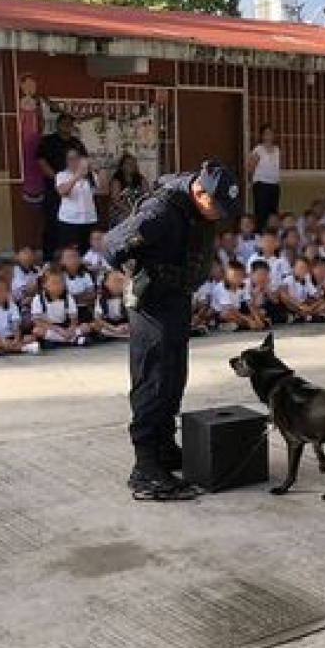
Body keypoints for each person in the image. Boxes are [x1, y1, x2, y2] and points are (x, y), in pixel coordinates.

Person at [103, 161, 241, 501]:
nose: (220, 215)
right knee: (154, 378)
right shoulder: (161, 212)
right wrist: (140, 271)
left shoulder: (196, 207)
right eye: (217, 206)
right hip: (152, 305)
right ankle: (145, 466)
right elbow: (112, 246)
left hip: (175, 299)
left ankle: (164, 448)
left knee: (174, 375)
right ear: (199, 191)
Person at [36, 113, 89, 260]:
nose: (68, 126)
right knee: (53, 223)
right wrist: (59, 179)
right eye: (64, 123)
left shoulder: (77, 143)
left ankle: (74, 259)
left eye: (70, 123)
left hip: (75, 192)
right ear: (58, 124)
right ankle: (49, 259)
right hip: (54, 190)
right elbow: (41, 161)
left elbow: (84, 162)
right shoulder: (48, 141)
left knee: (74, 225)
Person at [55, 149, 106, 253]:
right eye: (71, 159)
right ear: (66, 161)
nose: (74, 161)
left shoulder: (91, 176)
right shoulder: (62, 175)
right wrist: (78, 176)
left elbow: (104, 191)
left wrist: (99, 171)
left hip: (89, 220)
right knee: (70, 253)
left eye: (76, 158)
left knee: (89, 252)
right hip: (69, 221)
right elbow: (62, 191)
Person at [247, 124, 282, 230]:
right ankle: (260, 235)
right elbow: (250, 168)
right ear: (262, 136)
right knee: (261, 214)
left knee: (273, 214)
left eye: (271, 133)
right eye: (266, 133)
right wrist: (252, 183)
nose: (269, 135)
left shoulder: (277, 150)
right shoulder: (258, 150)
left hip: (274, 185)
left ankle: (272, 236)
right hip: (261, 186)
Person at [108, 154, 149, 228]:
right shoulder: (117, 181)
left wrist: (141, 210)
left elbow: (148, 195)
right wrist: (130, 211)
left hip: (138, 210)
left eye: (133, 163)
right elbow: (115, 201)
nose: (131, 165)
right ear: (122, 166)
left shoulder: (141, 179)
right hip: (121, 211)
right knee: (129, 221)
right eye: (128, 163)